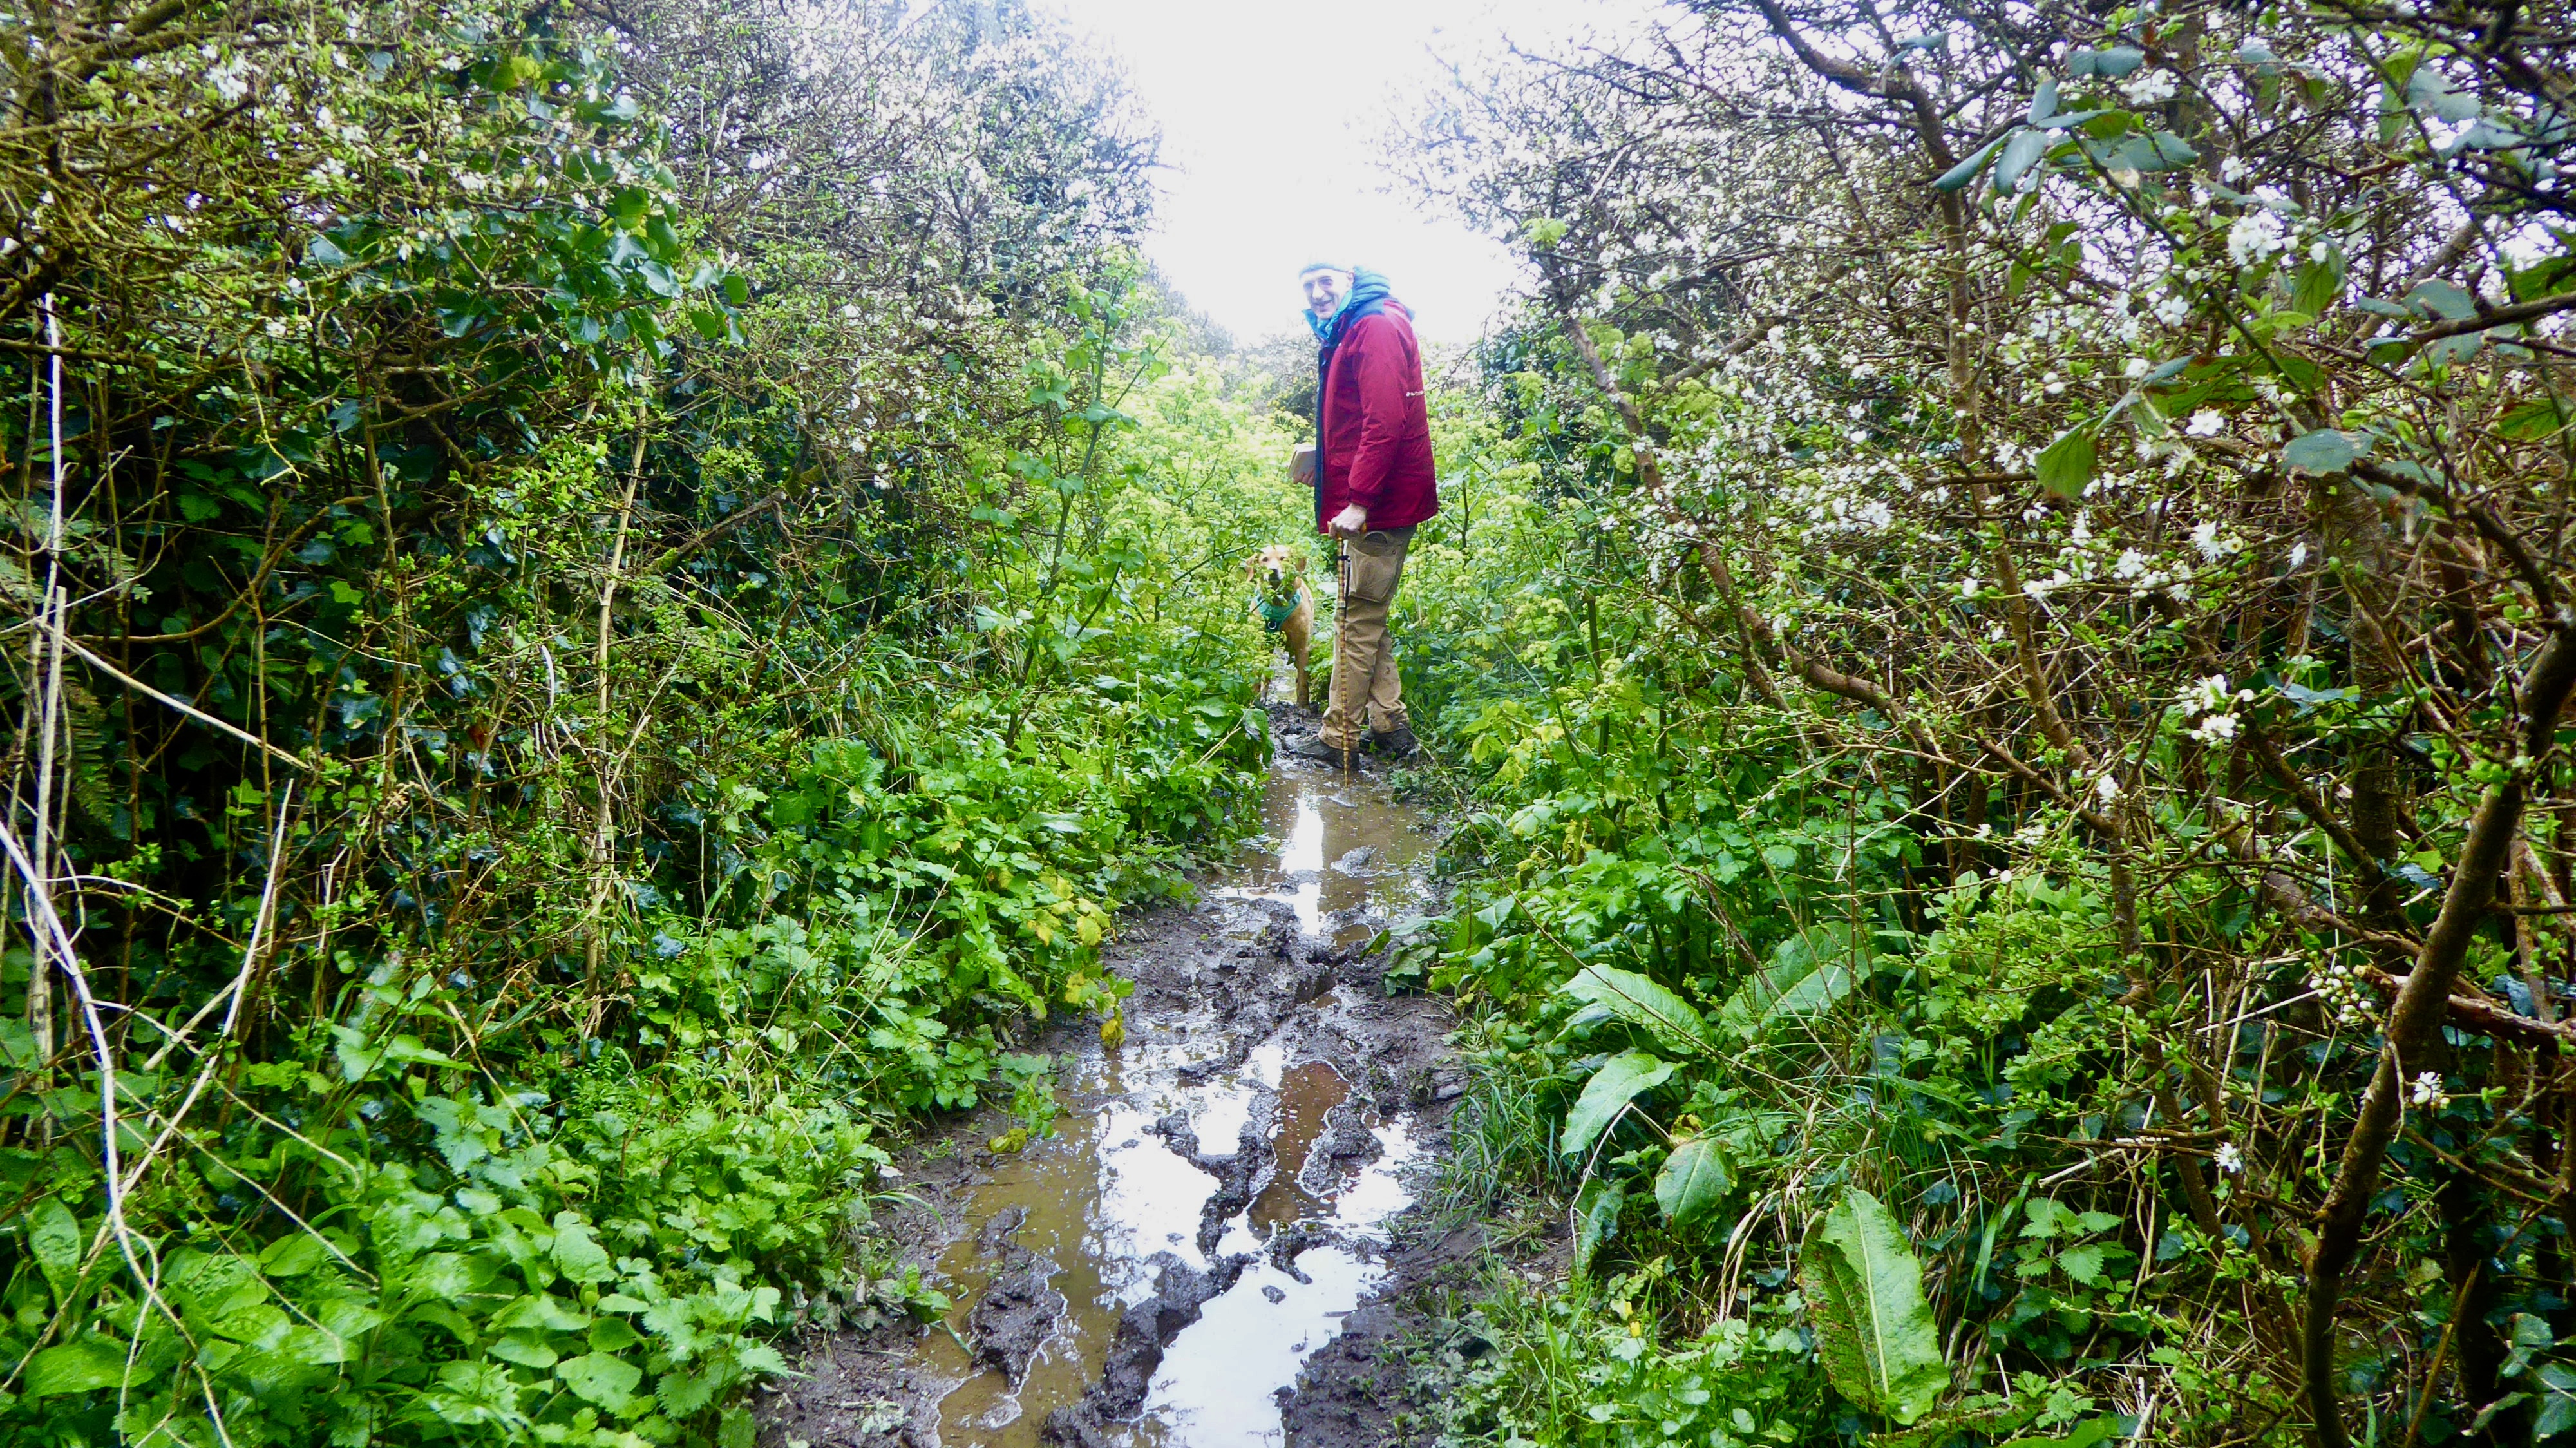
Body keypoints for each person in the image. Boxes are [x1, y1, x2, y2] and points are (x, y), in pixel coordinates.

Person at [1284, 262, 1439, 770]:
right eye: (1308, 285)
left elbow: (1385, 421)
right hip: (1380, 500)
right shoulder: (1357, 325)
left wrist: (1360, 500)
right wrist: (1328, 467)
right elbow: (1360, 420)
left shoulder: (1373, 326)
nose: (1317, 293)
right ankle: (1390, 725)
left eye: (1326, 281)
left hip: (1381, 507)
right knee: (1366, 613)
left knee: (1354, 619)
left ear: (1349, 280)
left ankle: (1339, 739)